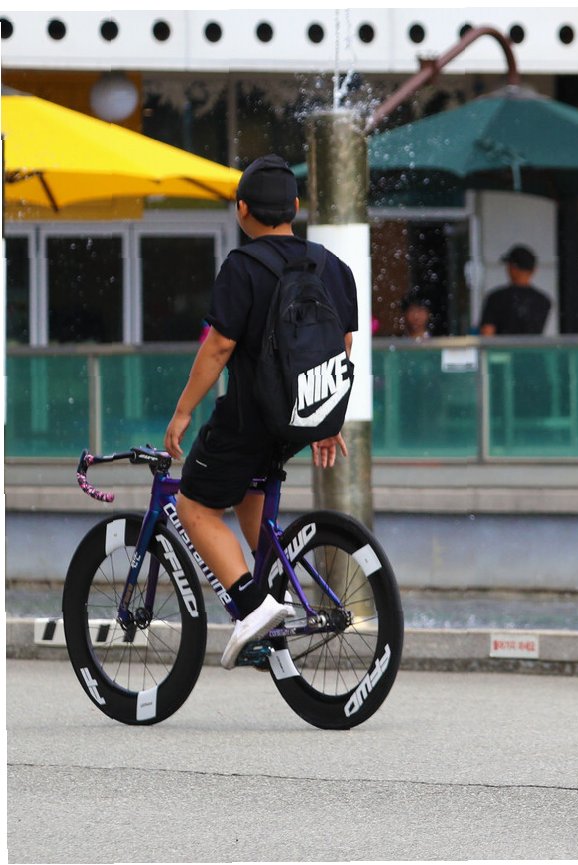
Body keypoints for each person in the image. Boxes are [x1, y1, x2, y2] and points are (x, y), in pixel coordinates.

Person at [163, 154, 359, 670]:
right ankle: (277, 600)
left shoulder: (242, 266)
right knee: (250, 499)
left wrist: (182, 412)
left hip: (249, 417)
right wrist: (325, 419)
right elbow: (340, 345)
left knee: (194, 506)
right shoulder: (333, 267)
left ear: (242, 210)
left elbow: (219, 347)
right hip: (296, 421)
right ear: (295, 205)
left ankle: (254, 609)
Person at [478, 244, 551, 335]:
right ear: (533, 270)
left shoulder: (496, 298)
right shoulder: (543, 301)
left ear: (512, 268)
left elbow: (487, 333)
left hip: (502, 344)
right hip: (532, 345)